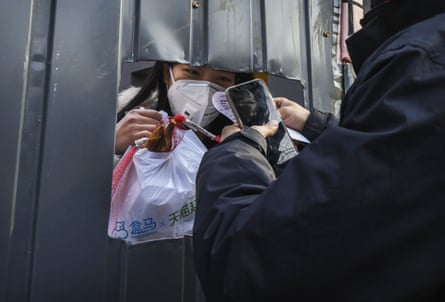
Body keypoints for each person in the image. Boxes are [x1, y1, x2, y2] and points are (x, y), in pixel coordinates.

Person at [192, 0, 445, 301]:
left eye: (222, 79)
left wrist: (237, 150)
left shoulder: (422, 63)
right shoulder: (425, 57)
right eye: (191, 74)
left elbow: (255, 264)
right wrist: (316, 125)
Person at [114, 62, 253, 160]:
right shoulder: (128, 123)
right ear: (166, 74)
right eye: (192, 72)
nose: (204, 91)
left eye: (223, 78)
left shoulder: (245, 137)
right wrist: (111, 150)